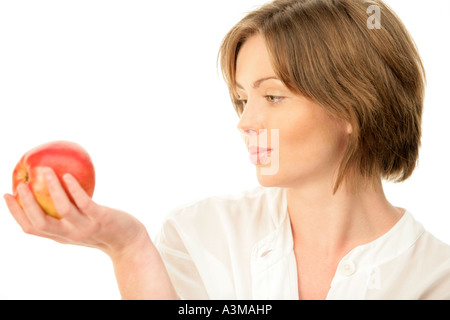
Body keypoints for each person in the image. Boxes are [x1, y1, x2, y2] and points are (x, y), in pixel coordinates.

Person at [4, 0, 450, 300]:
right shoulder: (200, 233)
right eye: (241, 99)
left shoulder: (437, 278)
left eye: (272, 97)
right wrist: (127, 247)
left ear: (354, 104)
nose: (245, 122)